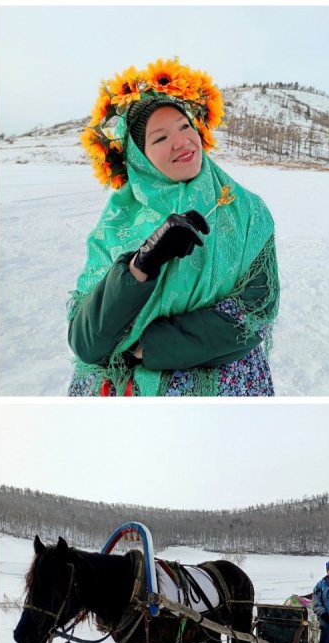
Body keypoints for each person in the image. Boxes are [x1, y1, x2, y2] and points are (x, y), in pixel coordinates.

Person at [68, 58, 279, 397]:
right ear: (139, 158)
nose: (181, 141)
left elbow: (255, 314)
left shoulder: (247, 213)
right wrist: (140, 267)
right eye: (160, 137)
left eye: (184, 126)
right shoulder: (115, 225)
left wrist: (147, 347)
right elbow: (87, 343)